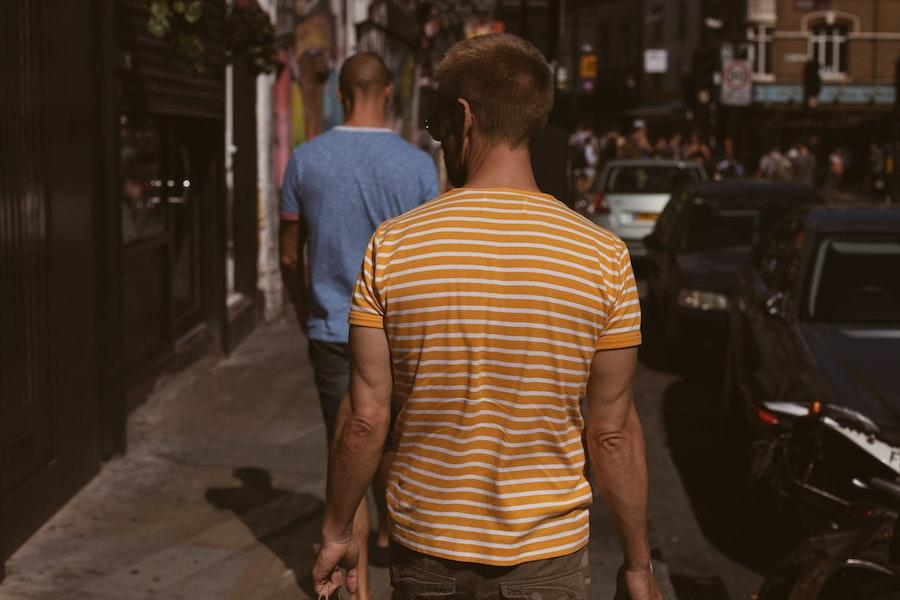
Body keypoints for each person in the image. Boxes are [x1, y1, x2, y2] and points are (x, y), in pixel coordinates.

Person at [312, 33, 662, 600]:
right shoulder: (603, 257)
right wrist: (638, 565)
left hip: (426, 547)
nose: (440, 139)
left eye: (436, 127)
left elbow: (365, 418)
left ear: (462, 117)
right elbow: (612, 431)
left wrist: (337, 530)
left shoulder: (393, 246)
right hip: (546, 558)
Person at [279, 52, 438, 599]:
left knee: (346, 454)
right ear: (388, 91)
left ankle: (358, 592)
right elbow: (429, 259)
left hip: (332, 331)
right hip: (398, 335)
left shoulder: (304, 160)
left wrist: (307, 310)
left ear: (341, 93)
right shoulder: (417, 165)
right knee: (395, 454)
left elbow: (286, 255)